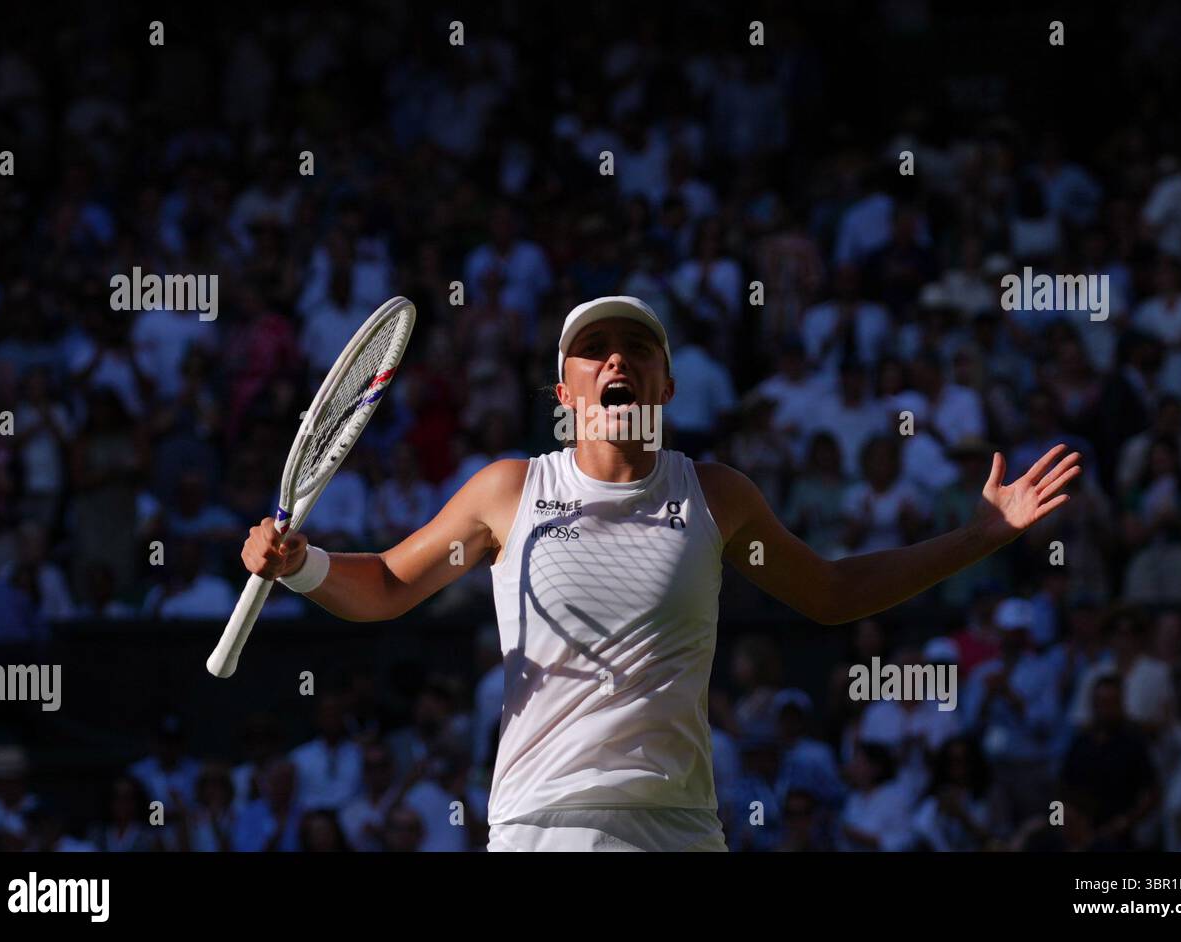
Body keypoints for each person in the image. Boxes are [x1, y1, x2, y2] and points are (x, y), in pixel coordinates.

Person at [239, 295, 1082, 852]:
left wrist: (980, 535)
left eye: (635, 348)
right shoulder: (510, 493)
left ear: (666, 382)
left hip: (678, 830)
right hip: (543, 826)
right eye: (594, 351)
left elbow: (833, 596)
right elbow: (388, 585)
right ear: (563, 393)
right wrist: (302, 565)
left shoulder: (718, 499)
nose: (616, 362)